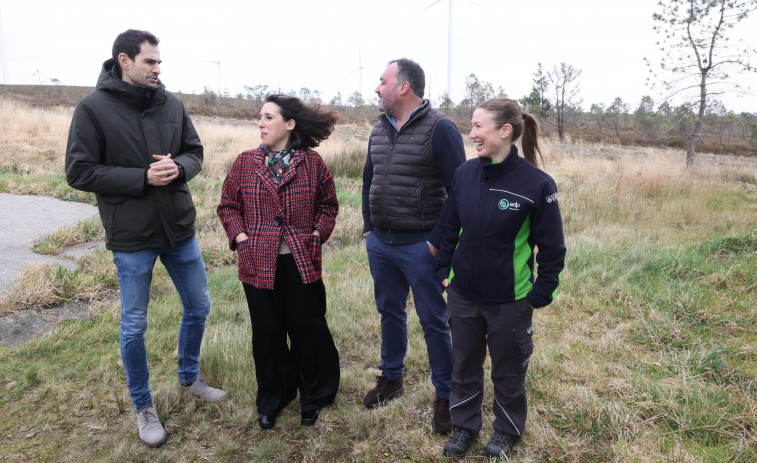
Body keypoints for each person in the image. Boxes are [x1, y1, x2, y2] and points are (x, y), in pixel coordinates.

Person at [65, 29, 225, 448]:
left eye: (159, 62)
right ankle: (143, 406)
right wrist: (142, 178)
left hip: (179, 229)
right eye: (150, 62)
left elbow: (195, 151)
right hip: (132, 236)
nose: (158, 68)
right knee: (135, 324)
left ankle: (189, 378)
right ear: (124, 61)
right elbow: (79, 171)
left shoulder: (171, 103)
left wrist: (181, 168)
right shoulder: (92, 108)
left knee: (199, 306)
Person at [434, 98, 566, 459]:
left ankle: (506, 431)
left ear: (505, 131)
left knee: (508, 373)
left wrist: (541, 292)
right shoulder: (465, 174)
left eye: (479, 126)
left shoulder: (537, 184)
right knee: (464, 365)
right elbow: (449, 228)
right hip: (463, 296)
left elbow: (552, 247)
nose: (471, 133)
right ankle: (465, 427)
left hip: (511, 300)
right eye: (472, 126)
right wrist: (442, 271)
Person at [217, 93, 340, 430]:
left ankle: (314, 394)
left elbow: (329, 205)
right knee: (267, 334)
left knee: (307, 329)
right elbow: (228, 205)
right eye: (260, 116)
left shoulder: (312, 163)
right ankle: (274, 396)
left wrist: (317, 234)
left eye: (269, 117)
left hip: (301, 261)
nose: (261, 123)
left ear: (289, 124)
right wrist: (240, 237)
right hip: (257, 263)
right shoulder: (245, 163)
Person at [361, 58, 465, 434]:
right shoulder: (378, 129)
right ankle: (392, 378)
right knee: (389, 312)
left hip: (421, 245)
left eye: (382, 81)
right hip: (382, 244)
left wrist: (439, 246)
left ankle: (446, 395)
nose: (377, 87)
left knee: (434, 321)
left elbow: (460, 193)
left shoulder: (441, 129)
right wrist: (369, 228)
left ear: (403, 87)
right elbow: (368, 180)